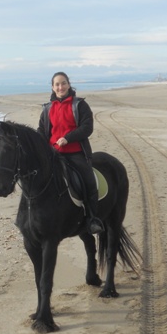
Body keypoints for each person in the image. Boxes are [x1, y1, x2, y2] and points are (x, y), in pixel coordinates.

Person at [37, 72, 104, 234]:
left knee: (88, 180)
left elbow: (87, 128)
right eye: (57, 84)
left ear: (69, 84)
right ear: (52, 87)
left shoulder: (80, 105)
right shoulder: (47, 109)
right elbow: (42, 132)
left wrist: (67, 138)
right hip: (53, 154)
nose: (61, 87)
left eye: (63, 83)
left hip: (75, 153)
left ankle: (92, 218)